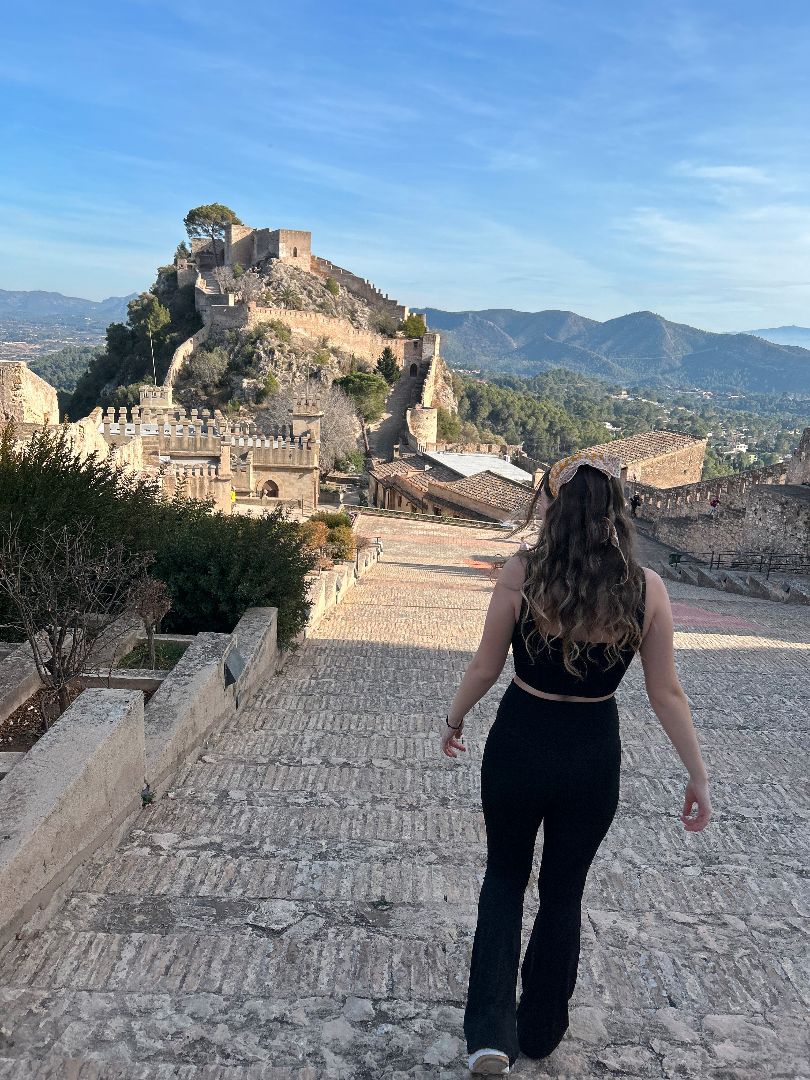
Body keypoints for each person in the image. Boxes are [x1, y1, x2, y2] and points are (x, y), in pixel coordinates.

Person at [441, 450, 712, 1076]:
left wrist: (455, 718)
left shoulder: (523, 573)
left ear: (551, 508)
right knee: (564, 891)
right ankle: (540, 1029)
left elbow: (485, 666)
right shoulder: (645, 590)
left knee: (504, 880)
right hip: (592, 753)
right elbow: (666, 692)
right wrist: (696, 773)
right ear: (619, 512)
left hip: (518, 742)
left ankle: (489, 1033)